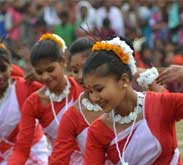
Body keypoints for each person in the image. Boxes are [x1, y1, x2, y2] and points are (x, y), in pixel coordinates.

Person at [83, 36, 182, 164]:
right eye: (90, 91)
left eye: (99, 89)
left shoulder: (161, 103)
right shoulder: (97, 131)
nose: (94, 98)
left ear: (124, 80)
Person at [8, 33, 82, 165]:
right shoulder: (34, 103)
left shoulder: (83, 89)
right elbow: (21, 149)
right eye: (40, 72)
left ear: (63, 62)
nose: (45, 77)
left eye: (50, 69)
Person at [49, 37, 104, 164]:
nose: (79, 76)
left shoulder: (123, 99)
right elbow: (58, 160)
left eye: (86, 68)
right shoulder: (72, 116)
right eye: (75, 70)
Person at [0, 47, 49, 164]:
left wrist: (43, 79)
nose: (0, 76)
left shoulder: (25, 86)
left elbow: (57, 93)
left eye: (3, 69)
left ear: (11, 67)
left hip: (33, 151)